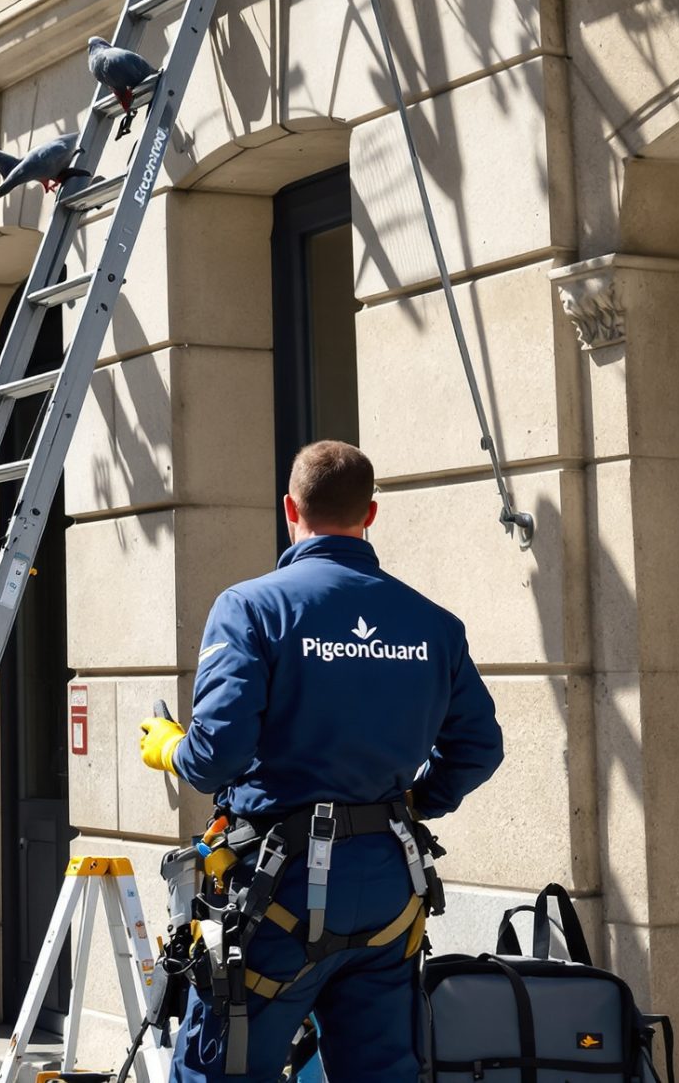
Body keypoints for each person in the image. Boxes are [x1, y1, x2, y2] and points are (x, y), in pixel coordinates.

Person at [137, 441, 504, 1083]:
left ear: (290, 509)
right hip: (389, 886)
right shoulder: (432, 624)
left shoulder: (252, 608)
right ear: (371, 514)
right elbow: (479, 748)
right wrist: (419, 801)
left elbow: (213, 759)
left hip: (278, 890)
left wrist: (168, 745)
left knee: (223, 1069)